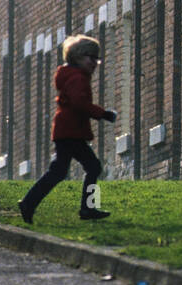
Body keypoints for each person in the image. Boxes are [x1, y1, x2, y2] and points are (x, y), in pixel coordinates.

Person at [19, 34, 116, 223]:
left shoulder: (73, 75)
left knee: (62, 170)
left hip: (68, 131)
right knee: (90, 167)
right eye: (91, 57)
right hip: (71, 132)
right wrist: (103, 114)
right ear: (78, 57)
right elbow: (79, 103)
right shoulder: (77, 78)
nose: (95, 62)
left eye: (97, 58)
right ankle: (86, 209)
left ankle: (30, 203)